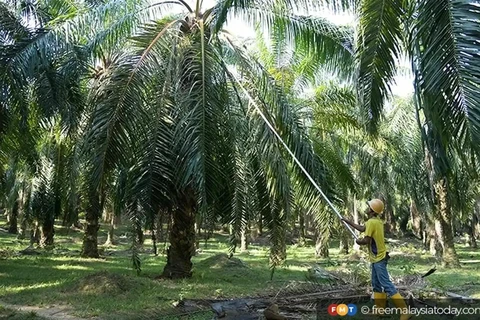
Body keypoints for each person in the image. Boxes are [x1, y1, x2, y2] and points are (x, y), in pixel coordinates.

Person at [342, 199, 411, 320]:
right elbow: (363, 228)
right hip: (376, 257)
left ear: (372, 211)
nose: (367, 208)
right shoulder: (376, 221)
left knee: (386, 284)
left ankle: (405, 311)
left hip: (378, 258)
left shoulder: (372, 222)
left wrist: (359, 241)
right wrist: (348, 222)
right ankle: (380, 310)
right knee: (376, 284)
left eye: (369, 207)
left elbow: (367, 240)